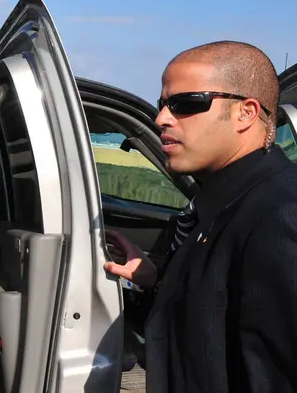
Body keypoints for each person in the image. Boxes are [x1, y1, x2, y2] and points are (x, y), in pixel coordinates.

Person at [105, 40, 297, 392]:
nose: (161, 118)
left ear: (247, 112)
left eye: (184, 104)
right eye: (163, 104)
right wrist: (155, 281)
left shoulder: (280, 213)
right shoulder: (217, 204)